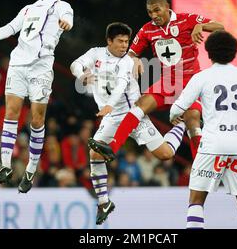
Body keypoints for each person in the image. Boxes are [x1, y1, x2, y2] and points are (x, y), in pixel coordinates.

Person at [70, 22, 190, 224]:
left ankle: (183, 124)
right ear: (109, 41)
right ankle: (103, 202)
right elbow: (75, 64)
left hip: (133, 115)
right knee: (94, 154)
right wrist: (82, 75)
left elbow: (122, 85)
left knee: (165, 155)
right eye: (120, 41)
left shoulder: (127, 61)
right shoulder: (95, 54)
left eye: (127, 41)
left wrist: (109, 104)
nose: (124, 45)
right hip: (111, 118)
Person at [88, 0, 224, 162]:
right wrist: (135, 58)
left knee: (192, 119)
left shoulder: (187, 19)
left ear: (167, 6)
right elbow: (129, 53)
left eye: (157, 10)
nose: (154, 15)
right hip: (167, 83)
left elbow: (220, 27)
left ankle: (202, 167)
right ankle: (112, 148)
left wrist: (201, 26)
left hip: (191, 84)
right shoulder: (147, 30)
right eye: (150, 12)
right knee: (139, 105)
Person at [169, 30, 237, 229]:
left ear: (209, 53)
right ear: (234, 52)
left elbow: (177, 108)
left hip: (212, 146)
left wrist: (173, 116)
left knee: (196, 200)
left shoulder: (203, 77)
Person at [0, 0, 78, 193]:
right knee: (11, 112)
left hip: (41, 66)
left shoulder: (62, 7)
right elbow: (12, 27)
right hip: (18, 63)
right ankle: (5, 165)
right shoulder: (29, 8)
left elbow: (69, 20)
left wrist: (67, 24)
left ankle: (31, 169)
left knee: (36, 119)